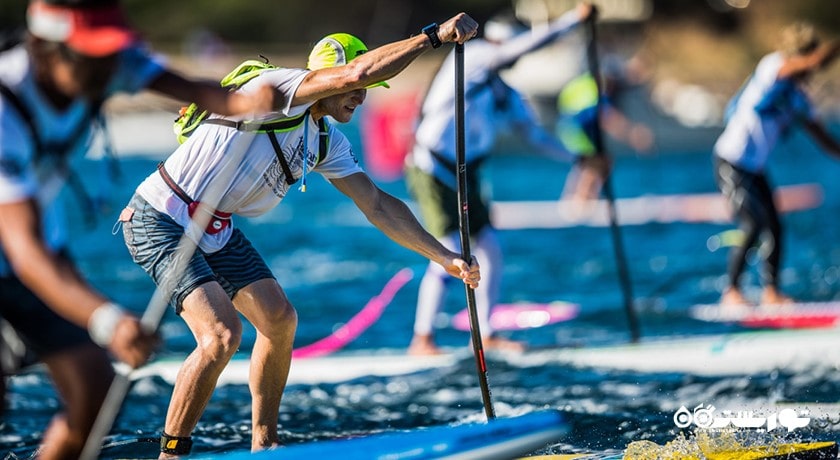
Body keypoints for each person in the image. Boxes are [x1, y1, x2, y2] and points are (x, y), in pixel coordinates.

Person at [118, 15, 480, 458]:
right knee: (220, 336)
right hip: (160, 217)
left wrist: (443, 256)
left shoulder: (325, 140)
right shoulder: (278, 88)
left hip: (215, 227)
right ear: (326, 79)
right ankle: (172, 453)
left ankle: (265, 445)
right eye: (353, 90)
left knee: (279, 319)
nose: (361, 97)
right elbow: (357, 71)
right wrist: (432, 36)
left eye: (365, 93)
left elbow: (378, 205)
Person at [0, 0, 275, 458]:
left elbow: (191, 88)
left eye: (112, 55)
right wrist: (107, 320)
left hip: (41, 253)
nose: (109, 69)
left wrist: (246, 103)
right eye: (95, 56)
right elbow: (26, 251)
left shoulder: (103, 60)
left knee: (96, 390)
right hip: (26, 253)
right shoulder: (5, 107)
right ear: (45, 48)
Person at [404, 4, 595, 356]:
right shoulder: (474, 55)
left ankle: (487, 333)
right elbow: (524, 48)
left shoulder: (504, 91)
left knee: (490, 249)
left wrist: (580, 158)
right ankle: (423, 338)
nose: (513, 60)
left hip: (468, 173)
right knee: (448, 252)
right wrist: (572, 21)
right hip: (432, 167)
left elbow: (534, 136)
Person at [712, 21, 840, 307]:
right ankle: (731, 292)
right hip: (730, 160)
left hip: (754, 168)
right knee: (753, 223)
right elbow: (815, 60)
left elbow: (824, 139)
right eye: (806, 63)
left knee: (776, 227)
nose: (811, 71)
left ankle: (771, 293)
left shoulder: (798, 99)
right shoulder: (772, 67)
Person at [556, 67, 653, 202]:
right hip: (576, 130)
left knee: (591, 163)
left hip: (568, 127)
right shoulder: (599, 89)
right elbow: (608, 118)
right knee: (598, 162)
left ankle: (576, 198)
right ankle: (581, 200)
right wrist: (633, 135)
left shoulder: (585, 83)